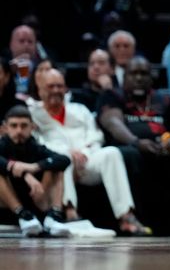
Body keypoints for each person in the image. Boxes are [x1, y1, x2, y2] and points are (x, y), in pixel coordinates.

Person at [29, 69, 150, 236]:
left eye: (60, 86)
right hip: (59, 167)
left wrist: (84, 152)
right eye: (51, 86)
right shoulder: (33, 115)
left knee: (112, 153)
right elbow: (36, 144)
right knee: (62, 158)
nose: (56, 90)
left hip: (87, 160)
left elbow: (97, 136)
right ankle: (70, 213)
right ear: (40, 89)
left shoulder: (79, 110)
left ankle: (125, 216)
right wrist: (68, 152)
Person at [97, 57, 170, 235]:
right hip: (131, 146)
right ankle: (136, 218)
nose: (138, 78)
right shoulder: (113, 96)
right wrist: (136, 142)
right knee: (126, 155)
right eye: (134, 73)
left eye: (143, 73)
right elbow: (113, 123)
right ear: (125, 77)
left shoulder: (165, 99)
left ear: (151, 77)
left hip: (163, 148)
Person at [0, 105, 71, 237]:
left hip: (36, 201)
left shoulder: (35, 146)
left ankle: (54, 216)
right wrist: (24, 173)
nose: (19, 130)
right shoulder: (3, 145)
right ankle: (22, 214)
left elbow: (64, 159)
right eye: (14, 126)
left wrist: (35, 167)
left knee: (56, 168)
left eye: (24, 126)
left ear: (32, 127)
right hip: (9, 206)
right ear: (5, 128)